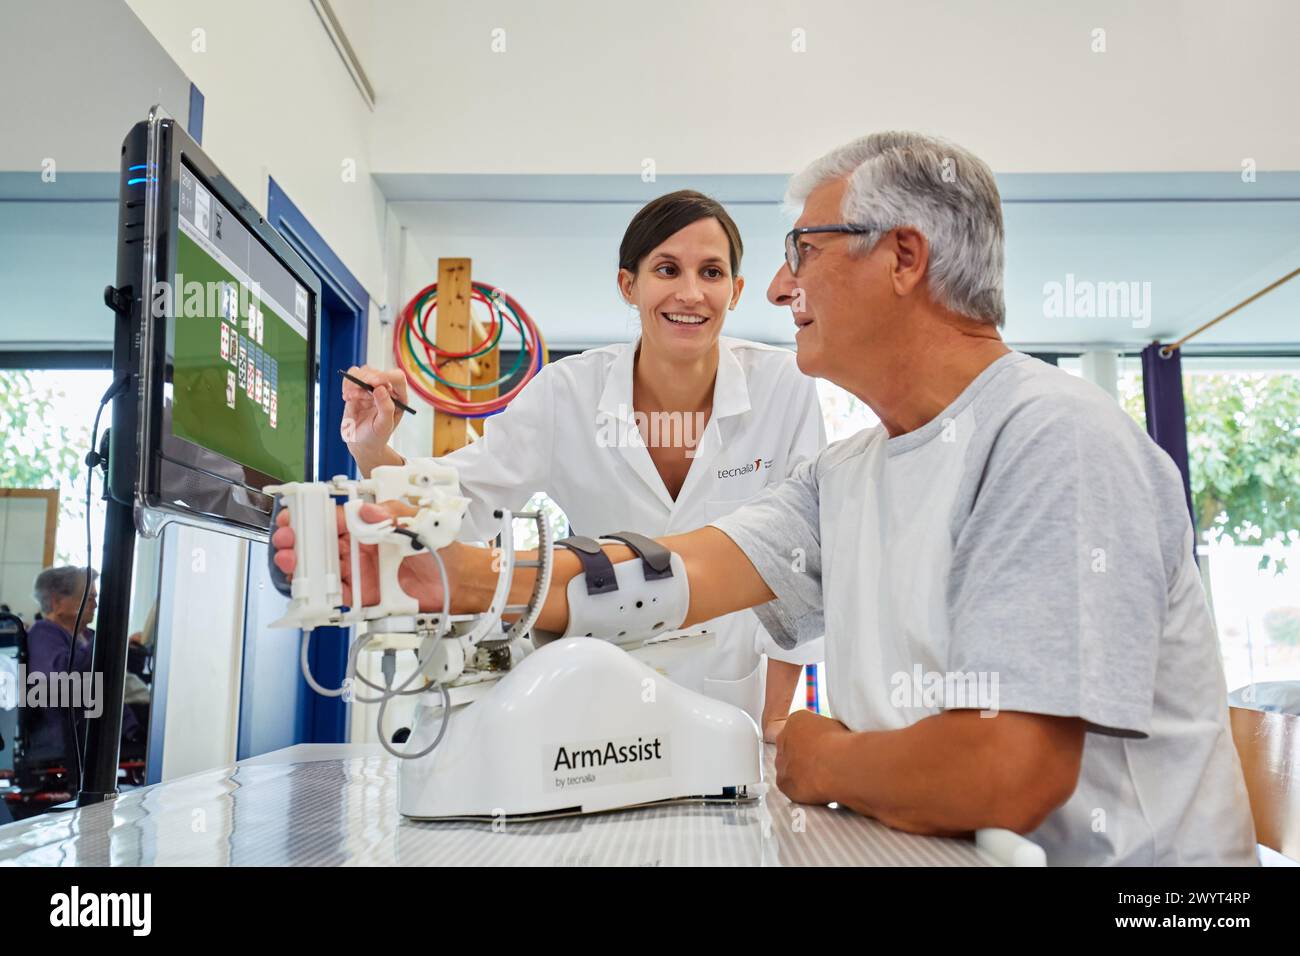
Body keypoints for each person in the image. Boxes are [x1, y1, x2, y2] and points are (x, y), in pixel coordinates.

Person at [276, 132, 1258, 865]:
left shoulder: (1054, 438)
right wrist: (437, 571)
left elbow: (1005, 767)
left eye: (804, 250)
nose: (780, 287)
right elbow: (670, 570)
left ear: (903, 258)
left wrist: (815, 752)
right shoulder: (852, 468)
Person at [341, 190, 825, 739]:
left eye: (711, 272)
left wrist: (774, 719)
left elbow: (801, 562)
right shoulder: (565, 394)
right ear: (629, 284)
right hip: (598, 700)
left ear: (734, 291)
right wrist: (371, 449)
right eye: (667, 269)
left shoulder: (784, 386)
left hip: (736, 706)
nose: (691, 293)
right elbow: (466, 502)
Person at [26, 566, 145, 770]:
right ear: (57, 602)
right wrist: (106, 642)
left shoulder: (87, 636)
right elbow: (66, 676)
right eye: (89, 599)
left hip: (104, 722)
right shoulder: (43, 635)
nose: (96, 605)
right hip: (72, 730)